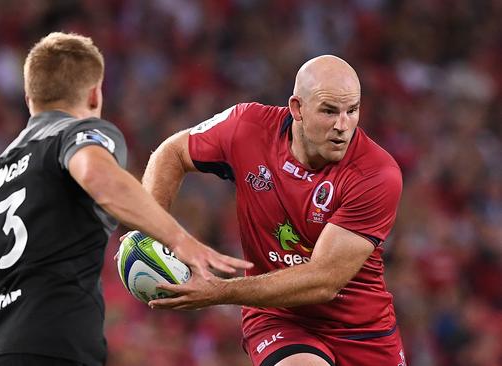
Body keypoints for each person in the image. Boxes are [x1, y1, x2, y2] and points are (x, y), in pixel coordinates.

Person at [0, 32, 252, 366]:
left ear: (30, 98)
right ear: (95, 94)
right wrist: (179, 239)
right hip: (59, 345)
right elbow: (96, 175)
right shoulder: (79, 132)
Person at [142, 55, 406, 366]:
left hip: (362, 331)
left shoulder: (376, 174)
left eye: (353, 111)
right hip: (279, 319)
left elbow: (324, 280)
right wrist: (150, 231)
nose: (342, 126)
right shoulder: (246, 127)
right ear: (297, 108)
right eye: (329, 111)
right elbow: (171, 152)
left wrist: (220, 291)